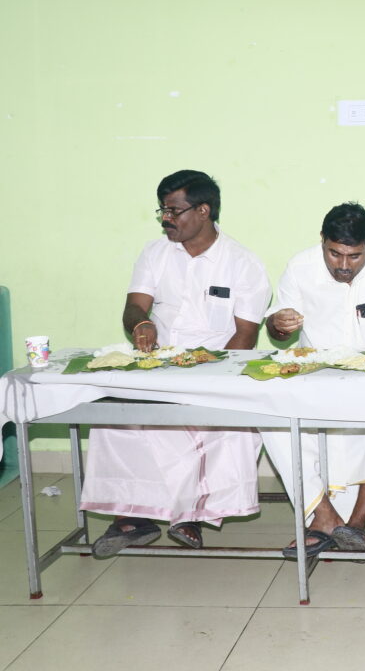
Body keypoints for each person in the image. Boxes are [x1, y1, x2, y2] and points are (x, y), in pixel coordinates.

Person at [82, 170, 271, 558]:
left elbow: (245, 336)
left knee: (218, 426)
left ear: (203, 210)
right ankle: (133, 517)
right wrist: (142, 324)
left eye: (173, 210)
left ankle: (190, 513)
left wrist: (211, 380)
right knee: (113, 418)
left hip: (214, 369)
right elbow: (134, 306)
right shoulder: (155, 253)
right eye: (162, 211)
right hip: (158, 366)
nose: (166, 219)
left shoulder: (242, 263)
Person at [260, 203, 365, 557]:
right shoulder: (300, 266)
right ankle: (326, 517)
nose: (344, 265)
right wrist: (277, 324)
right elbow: (278, 330)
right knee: (273, 423)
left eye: (355, 256)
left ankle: (356, 524)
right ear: (322, 241)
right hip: (316, 376)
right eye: (334, 254)